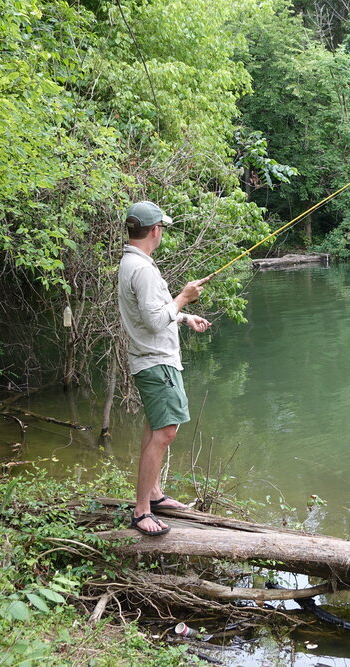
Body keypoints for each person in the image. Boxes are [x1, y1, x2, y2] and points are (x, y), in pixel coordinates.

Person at [117, 200, 212, 536]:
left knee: (155, 426)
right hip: (156, 361)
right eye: (162, 228)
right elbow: (156, 321)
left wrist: (184, 316)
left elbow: (154, 311)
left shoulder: (135, 262)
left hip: (151, 358)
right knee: (166, 432)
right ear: (155, 230)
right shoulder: (141, 269)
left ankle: (154, 495)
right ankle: (142, 510)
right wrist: (184, 298)